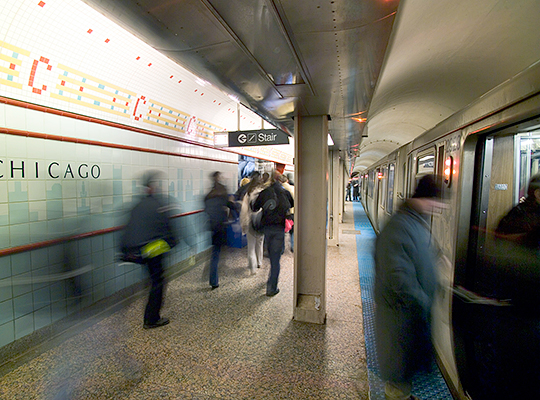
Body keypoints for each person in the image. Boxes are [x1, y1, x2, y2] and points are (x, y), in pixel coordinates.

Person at [374, 174, 441, 400]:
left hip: (408, 315)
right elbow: (398, 277)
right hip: (399, 317)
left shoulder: (414, 221)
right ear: (427, 198)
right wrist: (422, 300)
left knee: (404, 370)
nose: (438, 207)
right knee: (399, 372)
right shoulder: (401, 226)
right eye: (437, 202)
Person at [121, 170, 177, 329]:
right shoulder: (158, 204)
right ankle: (151, 319)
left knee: (153, 280)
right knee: (158, 281)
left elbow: (129, 227)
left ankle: (150, 315)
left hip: (139, 251)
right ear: (152, 187)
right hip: (154, 250)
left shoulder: (138, 204)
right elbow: (167, 226)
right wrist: (174, 242)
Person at [253, 171, 293, 296]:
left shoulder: (264, 193)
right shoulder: (284, 193)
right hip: (279, 230)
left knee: (270, 256)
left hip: (267, 229)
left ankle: (269, 280)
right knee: (276, 260)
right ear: (280, 180)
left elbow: (254, 207)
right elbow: (291, 204)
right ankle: (272, 287)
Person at [204, 171, 235, 289]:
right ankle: (213, 279)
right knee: (218, 252)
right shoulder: (223, 193)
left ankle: (213, 273)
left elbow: (206, 209)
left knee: (215, 251)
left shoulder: (209, 195)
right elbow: (232, 206)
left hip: (212, 227)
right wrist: (231, 201)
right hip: (222, 226)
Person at [240, 172, 266, 274]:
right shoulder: (264, 192)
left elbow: (244, 211)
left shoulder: (248, 193)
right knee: (260, 243)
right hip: (261, 222)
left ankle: (252, 268)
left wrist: (243, 225)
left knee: (251, 246)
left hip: (251, 222)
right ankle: (259, 262)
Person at [277, 173, 294, 252]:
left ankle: (281, 248)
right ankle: (293, 247)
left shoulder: (281, 190)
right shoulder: (293, 188)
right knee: (293, 231)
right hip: (294, 212)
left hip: (286, 213)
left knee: (282, 231)